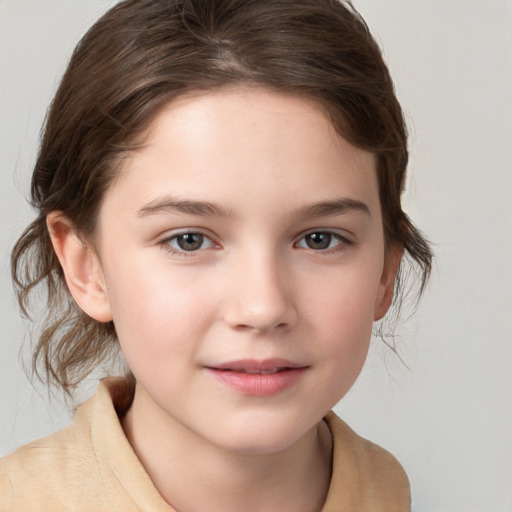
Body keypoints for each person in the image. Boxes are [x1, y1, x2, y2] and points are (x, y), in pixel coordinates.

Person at [0, 0, 432, 510]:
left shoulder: (387, 490)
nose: (262, 307)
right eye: (189, 239)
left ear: (385, 270)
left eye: (320, 239)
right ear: (85, 266)